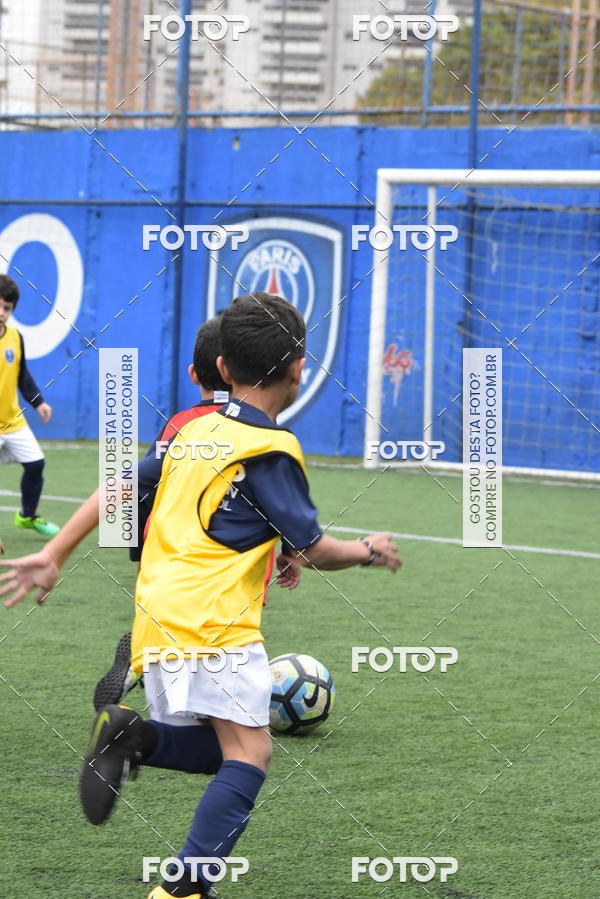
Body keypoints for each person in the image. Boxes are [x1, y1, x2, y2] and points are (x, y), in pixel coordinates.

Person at [0, 292, 400, 899]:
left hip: (156, 619)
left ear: (221, 368)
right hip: (214, 623)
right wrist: (369, 550)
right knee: (251, 754)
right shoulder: (273, 447)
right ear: (299, 367)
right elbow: (318, 548)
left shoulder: (196, 432)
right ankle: (183, 888)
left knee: (226, 751)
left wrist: (54, 555)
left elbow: (133, 491)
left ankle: (133, 737)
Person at [0, 274, 59, 537]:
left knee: (36, 465)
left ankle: (27, 515)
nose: (1, 313)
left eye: (7, 308)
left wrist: (39, 403)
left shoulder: (15, 337)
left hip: (12, 420)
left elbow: (22, 375)